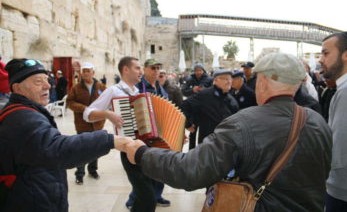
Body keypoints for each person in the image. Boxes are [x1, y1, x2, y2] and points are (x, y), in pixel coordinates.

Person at [119, 52, 332, 212]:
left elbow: (190, 171)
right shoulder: (317, 121)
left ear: (264, 82)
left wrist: (142, 154)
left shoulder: (242, 123)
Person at [0, 58, 126, 212]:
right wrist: (109, 140)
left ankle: (92, 170)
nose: (48, 85)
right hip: (31, 200)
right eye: (38, 81)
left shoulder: (26, 111)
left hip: (36, 193)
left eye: (47, 79)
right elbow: (57, 149)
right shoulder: (23, 118)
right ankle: (80, 174)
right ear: (17, 88)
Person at [82, 56, 160, 212]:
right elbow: (87, 113)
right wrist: (108, 114)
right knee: (147, 196)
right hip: (128, 149)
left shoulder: (138, 92)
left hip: (145, 147)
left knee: (144, 196)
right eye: (137, 68)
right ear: (125, 70)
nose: (141, 71)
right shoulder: (113, 90)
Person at [130, 58, 170, 208]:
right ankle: (133, 200)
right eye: (153, 68)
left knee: (160, 167)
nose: (156, 71)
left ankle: (157, 195)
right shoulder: (138, 87)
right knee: (143, 171)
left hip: (160, 134)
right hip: (144, 134)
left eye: (158, 68)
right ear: (144, 69)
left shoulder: (160, 87)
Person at [319, 31, 347, 211]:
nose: (321, 59)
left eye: (326, 53)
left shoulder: (346, 92)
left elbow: (339, 153)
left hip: (342, 193)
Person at [66, 62, 107, 185]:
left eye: (88, 71)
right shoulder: (76, 88)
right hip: (82, 123)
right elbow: (70, 102)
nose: (85, 73)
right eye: (83, 71)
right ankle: (79, 173)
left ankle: (93, 170)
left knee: (95, 148)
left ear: (93, 73)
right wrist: (83, 108)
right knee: (82, 148)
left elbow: (108, 101)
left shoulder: (101, 87)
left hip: (97, 123)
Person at [181, 69, 239, 144]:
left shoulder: (231, 99)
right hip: (208, 143)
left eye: (230, 79)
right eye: (225, 79)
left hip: (226, 142)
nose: (229, 81)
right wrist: (188, 124)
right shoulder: (205, 95)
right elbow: (185, 106)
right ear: (216, 81)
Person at [181, 63, 213, 149]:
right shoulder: (190, 79)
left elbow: (213, 91)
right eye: (196, 70)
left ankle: (201, 152)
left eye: (200, 70)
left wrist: (204, 91)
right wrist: (192, 90)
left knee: (203, 134)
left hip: (205, 110)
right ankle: (191, 152)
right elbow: (183, 91)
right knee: (192, 132)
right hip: (193, 109)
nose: (198, 72)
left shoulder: (209, 79)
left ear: (203, 70)